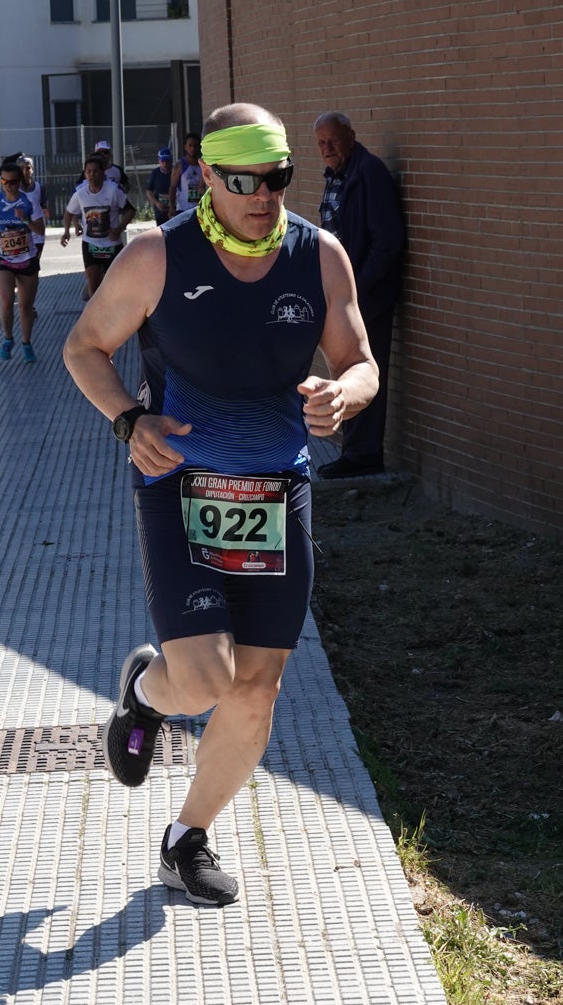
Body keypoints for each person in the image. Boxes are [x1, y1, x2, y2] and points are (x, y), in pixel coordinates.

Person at [63, 102, 378, 906]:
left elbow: (360, 360)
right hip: (179, 480)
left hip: (276, 490)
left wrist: (341, 396)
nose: (263, 194)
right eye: (244, 179)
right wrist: (127, 420)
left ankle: (186, 839)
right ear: (207, 175)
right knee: (204, 678)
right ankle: (146, 691)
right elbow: (83, 347)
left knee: (258, 687)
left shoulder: (319, 255)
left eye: (277, 177)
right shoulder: (155, 255)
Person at [314, 111, 406, 478]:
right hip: (344, 295)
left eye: (333, 141)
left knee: (362, 370)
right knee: (344, 370)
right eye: (320, 143)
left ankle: (363, 454)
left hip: (367, 297)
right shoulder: (339, 174)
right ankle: (353, 450)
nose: (326, 149)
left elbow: (388, 241)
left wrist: (357, 288)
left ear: (351, 136)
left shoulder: (368, 172)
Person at [0, 161, 44, 362]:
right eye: (4, 181)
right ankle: (8, 339)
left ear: (19, 182)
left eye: (13, 182)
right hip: (3, 258)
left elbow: (41, 230)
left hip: (27, 258)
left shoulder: (29, 202)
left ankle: (27, 343)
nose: (8, 185)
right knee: (7, 301)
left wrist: (26, 219)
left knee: (26, 306)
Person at [60, 154, 135, 299]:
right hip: (91, 243)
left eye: (95, 171)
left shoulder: (113, 190)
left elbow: (130, 211)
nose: (92, 174)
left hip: (111, 244)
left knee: (115, 285)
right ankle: (96, 318)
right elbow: (69, 212)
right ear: (84, 173)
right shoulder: (80, 194)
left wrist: (119, 228)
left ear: (102, 173)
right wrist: (66, 231)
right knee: (93, 284)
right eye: (88, 171)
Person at [17, 155, 49, 259]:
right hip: (19, 234)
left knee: (33, 265)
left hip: (36, 233)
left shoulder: (40, 188)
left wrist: (46, 211)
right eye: (21, 168)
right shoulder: (12, 189)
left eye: (28, 168)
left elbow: (44, 207)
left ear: (33, 170)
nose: (25, 171)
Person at [168, 132, 205, 217]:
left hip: (200, 210)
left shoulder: (204, 166)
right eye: (190, 145)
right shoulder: (179, 166)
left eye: (195, 145)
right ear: (185, 147)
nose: (192, 148)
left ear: (199, 147)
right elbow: (173, 187)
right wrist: (171, 207)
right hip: (183, 210)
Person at [146, 147, 173, 226]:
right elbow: (149, 191)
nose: (165, 164)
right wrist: (157, 203)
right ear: (159, 161)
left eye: (167, 161)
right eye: (162, 161)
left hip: (174, 209)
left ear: (171, 160)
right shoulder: (155, 173)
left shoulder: (176, 172)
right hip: (160, 211)